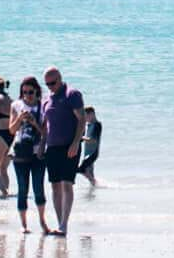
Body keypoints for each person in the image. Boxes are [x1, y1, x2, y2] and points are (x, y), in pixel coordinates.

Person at [39, 67, 86, 237]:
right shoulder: (46, 100)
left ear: (60, 79)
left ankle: (64, 224)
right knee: (55, 185)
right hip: (52, 147)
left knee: (67, 183)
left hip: (69, 146)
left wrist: (75, 143)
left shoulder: (72, 94)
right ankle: (59, 223)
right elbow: (45, 127)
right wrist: (41, 145)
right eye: (47, 84)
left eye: (53, 83)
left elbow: (82, 120)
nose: (50, 86)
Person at [9, 76, 46, 232]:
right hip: (20, 152)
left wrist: (34, 123)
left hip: (38, 152)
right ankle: (23, 225)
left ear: (36, 90)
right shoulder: (16, 105)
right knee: (22, 188)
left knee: (38, 188)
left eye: (30, 92)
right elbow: (11, 130)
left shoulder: (43, 106)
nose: (27, 95)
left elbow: (46, 132)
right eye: (24, 92)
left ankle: (42, 221)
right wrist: (20, 118)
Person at [78, 106, 103, 189]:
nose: (85, 118)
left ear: (92, 114)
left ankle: (97, 184)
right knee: (89, 172)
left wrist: (80, 138)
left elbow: (93, 140)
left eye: (86, 116)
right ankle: (94, 190)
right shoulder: (88, 125)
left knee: (81, 169)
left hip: (93, 154)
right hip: (87, 154)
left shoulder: (97, 125)